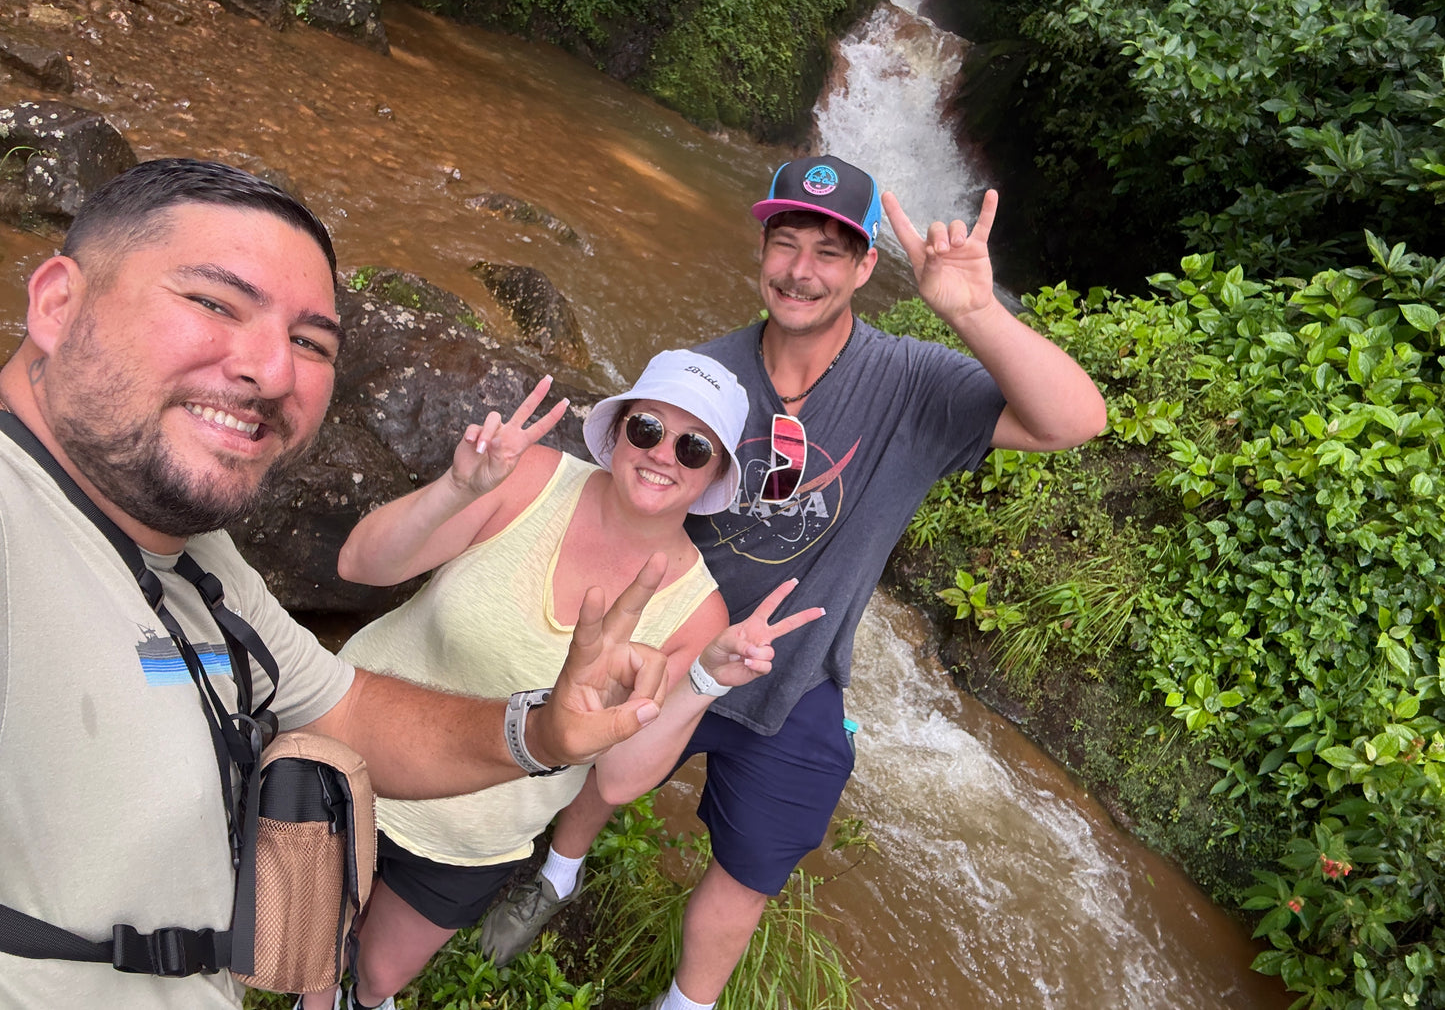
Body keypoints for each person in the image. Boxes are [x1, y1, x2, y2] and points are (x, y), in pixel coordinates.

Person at [0, 158, 693, 1010]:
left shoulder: (199, 558)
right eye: (214, 302)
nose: (272, 370)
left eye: (311, 342)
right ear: (57, 304)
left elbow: (345, 709)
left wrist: (544, 730)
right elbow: (366, 565)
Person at [486, 154, 1110, 1010]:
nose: (800, 270)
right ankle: (557, 875)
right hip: (677, 639)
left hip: (798, 671)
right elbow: (625, 494)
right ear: (761, 253)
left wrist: (971, 310)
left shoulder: (913, 385)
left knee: (750, 869)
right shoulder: (703, 376)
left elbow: (1073, 420)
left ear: (863, 268)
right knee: (602, 771)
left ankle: (685, 1005)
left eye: (828, 250)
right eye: (785, 243)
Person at [305, 350, 820, 1010]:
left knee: (377, 980)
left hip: (474, 833)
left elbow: (619, 778)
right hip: (348, 750)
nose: (664, 454)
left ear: (714, 474)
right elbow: (360, 565)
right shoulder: (529, 479)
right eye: (648, 429)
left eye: (694, 447)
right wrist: (457, 489)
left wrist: (705, 680)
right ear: (618, 430)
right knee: (308, 949)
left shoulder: (697, 612)